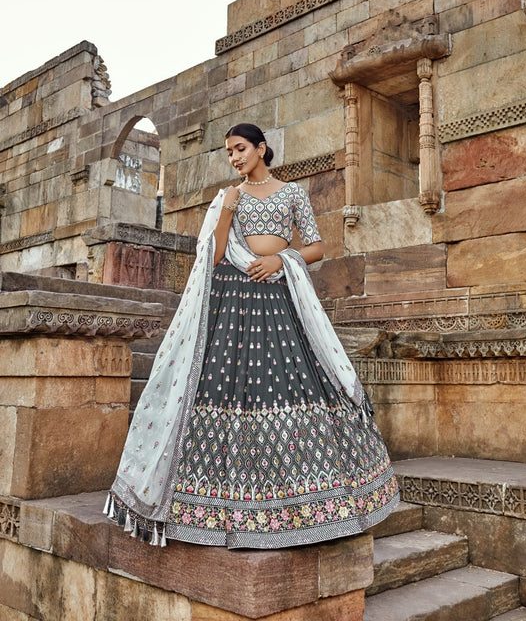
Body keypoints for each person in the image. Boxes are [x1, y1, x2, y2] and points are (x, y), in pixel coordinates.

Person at [105, 122, 399, 548]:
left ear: (261, 148)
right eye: (229, 152)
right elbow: (214, 255)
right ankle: (213, 508)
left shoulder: (292, 193)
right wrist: (227, 209)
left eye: (240, 148)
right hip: (232, 302)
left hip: (278, 299)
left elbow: (317, 247)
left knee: (288, 387)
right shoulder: (229, 197)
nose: (235, 158)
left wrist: (282, 259)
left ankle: (306, 506)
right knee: (225, 390)